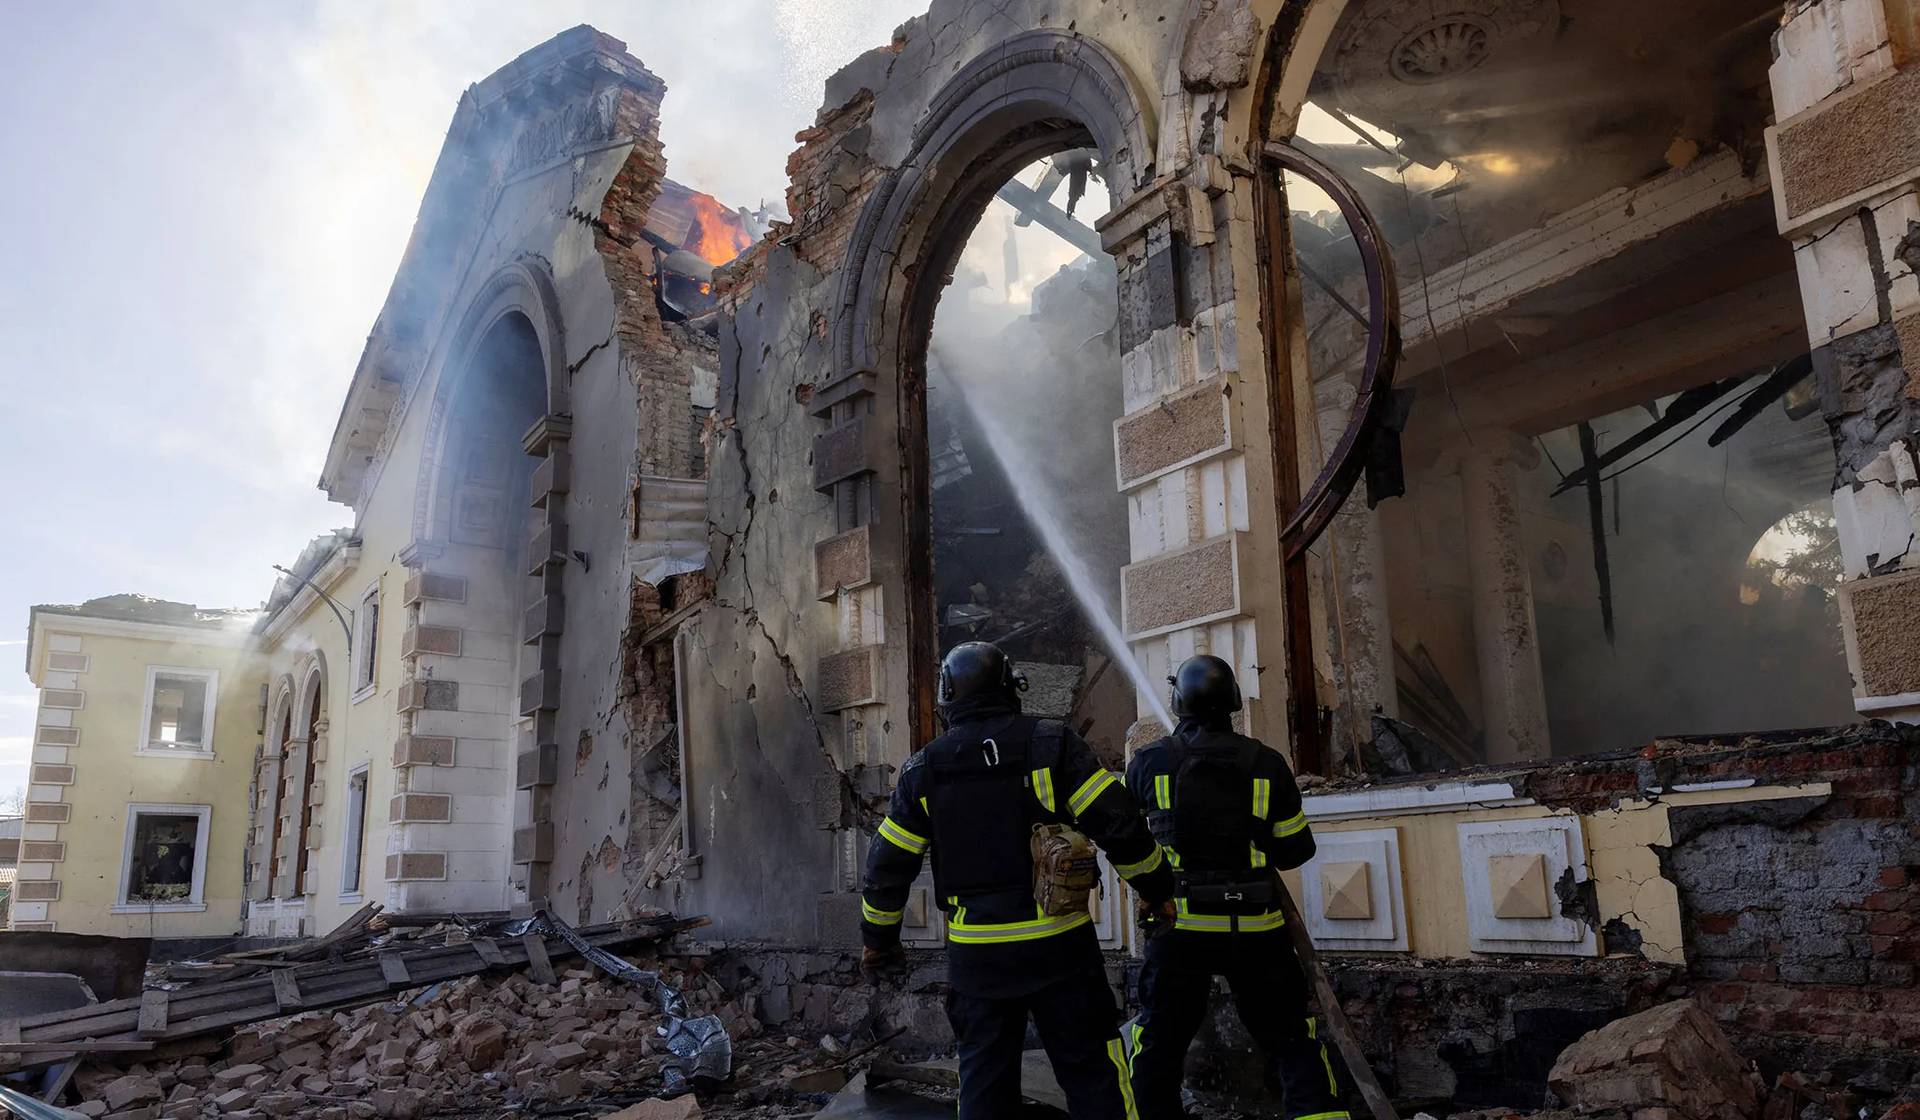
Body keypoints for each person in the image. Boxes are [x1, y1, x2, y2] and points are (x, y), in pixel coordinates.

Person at [861, 640, 1175, 1120]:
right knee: (1095, 1073)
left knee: (984, 1081)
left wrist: (879, 941)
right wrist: (1158, 891)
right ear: (1010, 687)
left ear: (947, 696)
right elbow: (1120, 826)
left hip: (980, 958)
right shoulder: (1052, 744)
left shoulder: (922, 769)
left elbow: (887, 867)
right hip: (1062, 949)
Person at [1124, 654, 1348, 1120]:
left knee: (1160, 1041)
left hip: (1179, 928)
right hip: (1256, 927)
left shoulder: (1148, 763)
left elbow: (1128, 846)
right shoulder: (1266, 763)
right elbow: (1294, 851)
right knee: (1289, 1036)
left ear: (1177, 700)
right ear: (1231, 702)